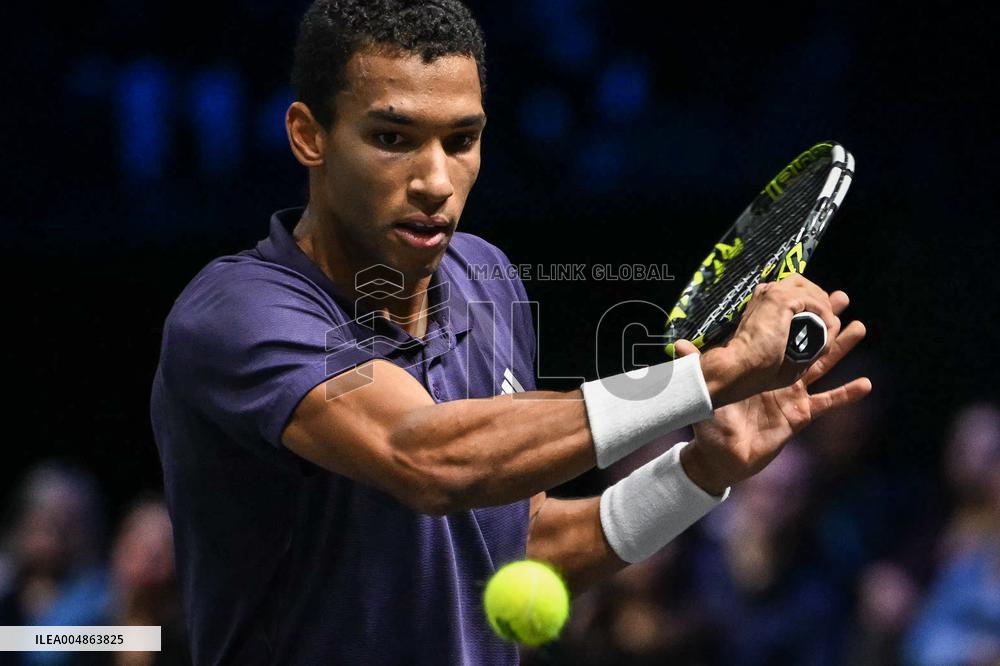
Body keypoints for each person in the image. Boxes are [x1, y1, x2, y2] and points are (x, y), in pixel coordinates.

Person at [149, 1, 871, 663]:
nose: (435, 180)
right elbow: (427, 459)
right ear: (310, 136)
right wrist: (709, 377)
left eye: (461, 140)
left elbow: (517, 547)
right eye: (392, 138)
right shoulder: (239, 313)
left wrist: (697, 474)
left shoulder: (487, 281)